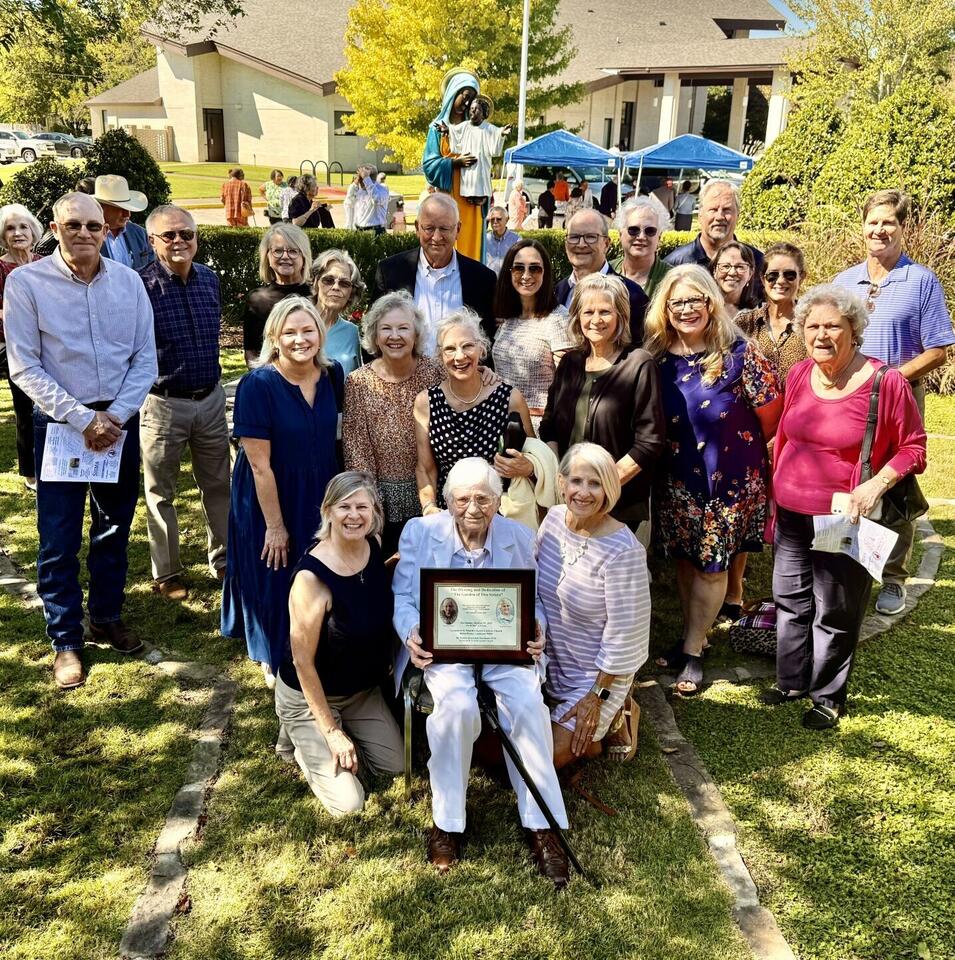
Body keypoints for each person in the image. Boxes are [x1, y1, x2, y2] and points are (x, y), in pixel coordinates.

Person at [392, 457, 570, 886]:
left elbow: (533, 601)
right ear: (447, 500)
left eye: (484, 499)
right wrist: (412, 632)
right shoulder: (420, 532)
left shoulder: (518, 536)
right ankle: (447, 823)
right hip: (444, 649)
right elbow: (403, 598)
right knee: (455, 709)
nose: (473, 508)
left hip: (502, 648)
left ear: (498, 501)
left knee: (527, 705)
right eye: (463, 499)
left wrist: (536, 629)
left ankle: (542, 824)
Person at [4, 192, 157, 689]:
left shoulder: (129, 282)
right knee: (59, 536)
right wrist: (81, 419)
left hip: (118, 420)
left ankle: (106, 615)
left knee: (114, 527)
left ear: (105, 230)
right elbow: (24, 365)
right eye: (74, 225)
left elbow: (145, 359)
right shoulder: (27, 283)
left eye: (94, 226)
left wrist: (114, 416)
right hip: (60, 424)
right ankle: (66, 638)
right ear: (55, 229)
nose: (85, 233)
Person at [766, 284, 926, 728]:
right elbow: (786, 436)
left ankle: (827, 696)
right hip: (791, 511)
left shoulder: (883, 382)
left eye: (833, 326)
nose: (822, 335)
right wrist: (773, 496)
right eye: (812, 326)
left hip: (842, 517)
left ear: (854, 330)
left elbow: (914, 448)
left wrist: (876, 485)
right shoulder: (800, 373)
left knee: (835, 607)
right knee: (789, 598)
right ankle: (791, 681)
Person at [644, 265, 781, 696]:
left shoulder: (740, 354)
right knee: (686, 560)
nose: (686, 309)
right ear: (665, 308)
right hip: (676, 478)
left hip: (728, 480)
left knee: (712, 563)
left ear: (711, 303)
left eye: (695, 300)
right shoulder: (656, 357)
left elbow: (771, 415)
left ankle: (692, 651)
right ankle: (694, 634)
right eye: (677, 302)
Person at [832, 189, 954, 615]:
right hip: (849, 398)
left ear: (903, 228)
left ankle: (895, 577)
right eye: (873, 222)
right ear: (862, 226)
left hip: (899, 399)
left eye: (889, 222)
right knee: (848, 475)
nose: (879, 230)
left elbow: (939, 349)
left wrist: (891, 378)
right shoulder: (845, 281)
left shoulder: (921, 281)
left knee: (895, 485)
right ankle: (845, 561)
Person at [221, 296, 343, 687]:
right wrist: (275, 525)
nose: (300, 340)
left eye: (308, 330)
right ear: (274, 337)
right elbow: (259, 465)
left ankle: (313, 640)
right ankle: (272, 651)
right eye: (290, 332)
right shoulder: (257, 385)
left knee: (314, 566)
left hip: (319, 485)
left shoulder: (332, 375)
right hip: (269, 488)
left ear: (320, 335)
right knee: (274, 564)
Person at [275, 472, 403, 814]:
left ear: (374, 512)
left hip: (361, 693)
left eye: (362, 507)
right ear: (327, 511)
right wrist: (331, 732)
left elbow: (369, 585)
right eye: (345, 507)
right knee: (349, 804)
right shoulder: (311, 579)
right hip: (310, 694)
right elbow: (302, 662)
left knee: (395, 767)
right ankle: (300, 732)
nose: (354, 515)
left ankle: (326, 731)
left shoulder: (373, 545)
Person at [344, 292, 496, 555]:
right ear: (374, 335)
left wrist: (483, 372)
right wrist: (369, 506)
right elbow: (357, 452)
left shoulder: (435, 370)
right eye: (386, 329)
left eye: (403, 328)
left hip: (433, 497)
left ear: (416, 334)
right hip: (380, 501)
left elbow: (465, 378)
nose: (395, 336)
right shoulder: (358, 382)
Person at [138, 204, 231, 600]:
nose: (179, 241)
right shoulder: (139, 286)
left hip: (210, 399)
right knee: (161, 492)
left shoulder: (209, 279)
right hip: (163, 403)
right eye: (169, 235)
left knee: (219, 485)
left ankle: (224, 559)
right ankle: (168, 572)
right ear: (152, 240)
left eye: (187, 234)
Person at [537, 443, 649, 767]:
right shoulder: (553, 520)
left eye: (595, 483)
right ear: (562, 483)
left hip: (596, 678)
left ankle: (618, 709)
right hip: (549, 663)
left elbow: (625, 636)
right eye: (576, 481)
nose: (583, 493)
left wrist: (596, 696)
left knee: (540, 762)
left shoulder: (624, 551)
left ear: (609, 488)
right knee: (499, 749)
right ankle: (598, 735)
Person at [540, 273, 664, 538]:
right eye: (588, 312)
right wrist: (565, 483)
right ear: (577, 317)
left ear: (621, 316)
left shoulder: (639, 364)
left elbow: (649, 442)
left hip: (620, 505)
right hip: (570, 500)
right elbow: (549, 427)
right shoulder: (570, 363)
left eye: (605, 311)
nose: (596, 320)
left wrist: (602, 488)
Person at [414, 308, 534, 510]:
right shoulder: (426, 402)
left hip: (499, 511)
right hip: (449, 512)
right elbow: (425, 468)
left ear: (481, 348)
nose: (460, 356)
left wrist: (528, 467)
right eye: (450, 349)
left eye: (467, 346)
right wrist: (429, 508)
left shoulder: (510, 398)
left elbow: (534, 456)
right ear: (440, 355)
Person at [372, 192, 496, 355]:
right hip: (404, 371)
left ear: (458, 229)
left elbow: (487, 339)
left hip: (460, 371)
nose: (436, 237)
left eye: (444, 228)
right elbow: (373, 332)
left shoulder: (483, 279)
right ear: (417, 228)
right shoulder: (390, 272)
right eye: (429, 228)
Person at [492, 239, 572, 430]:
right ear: (509, 272)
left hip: (539, 428)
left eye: (534, 268)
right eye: (519, 268)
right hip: (500, 422)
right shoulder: (507, 317)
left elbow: (568, 386)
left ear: (545, 273)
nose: (526, 275)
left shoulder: (558, 319)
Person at [555, 208, 649, 344]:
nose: (581, 244)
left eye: (590, 237)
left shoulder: (631, 295)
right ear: (566, 244)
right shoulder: (558, 291)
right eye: (574, 237)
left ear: (606, 244)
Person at [0, 203, 43, 489]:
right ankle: (30, 471)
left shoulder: (45, 263)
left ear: (33, 231)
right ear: (2, 236)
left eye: (23, 227)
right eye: (10, 228)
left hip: (50, 346)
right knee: (25, 409)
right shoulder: (0, 268)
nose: (18, 233)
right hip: (16, 348)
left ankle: (56, 461)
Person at [664, 180, 763, 303]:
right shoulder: (675, 265)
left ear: (738, 215)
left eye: (727, 210)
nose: (719, 217)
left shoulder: (758, 262)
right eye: (713, 209)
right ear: (700, 215)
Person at [422, 68, 485, 260]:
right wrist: (454, 163)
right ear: (453, 93)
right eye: (464, 97)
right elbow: (429, 165)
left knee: (471, 251)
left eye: (471, 100)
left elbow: (483, 164)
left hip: (471, 202)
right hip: (448, 199)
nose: (466, 103)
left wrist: (484, 193)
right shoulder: (437, 128)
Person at [736, 241, 808, 389]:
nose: (780, 281)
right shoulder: (745, 323)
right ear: (763, 279)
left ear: (801, 277)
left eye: (789, 275)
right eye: (772, 275)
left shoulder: (812, 325)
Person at [242, 223, 313, 366]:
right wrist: (262, 377)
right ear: (267, 256)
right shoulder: (257, 300)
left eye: (293, 251)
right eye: (278, 251)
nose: (285, 256)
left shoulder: (316, 295)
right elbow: (251, 351)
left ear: (304, 256)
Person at [444, 96, 509, 205]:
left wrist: (502, 133)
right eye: (471, 108)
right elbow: (454, 130)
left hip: (482, 161)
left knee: (480, 177)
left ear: (483, 113)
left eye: (477, 109)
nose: (473, 111)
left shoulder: (488, 127)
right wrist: (447, 130)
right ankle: (469, 194)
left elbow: (497, 133)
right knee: (469, 177)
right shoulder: (465, 125)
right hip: (468, 160)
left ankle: (480, 196)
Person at [310, 249, 364, 376]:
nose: (335, 287)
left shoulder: (352, 333)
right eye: (328, 280)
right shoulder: (293, 322)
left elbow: (355, 380)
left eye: (344, 283)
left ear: (351, 292)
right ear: (316, 283)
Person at [611, 195, 673, 299]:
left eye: (650, 231)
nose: (641, 237)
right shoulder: (605, 272)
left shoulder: (672, 279)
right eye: (633, 230)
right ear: (620, 234)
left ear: (659, 237)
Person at [92, 175, 154, 270]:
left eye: (128, 208)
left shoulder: (140, 234)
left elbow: (152, 269)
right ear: (101, 207)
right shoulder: (88, 236)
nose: (127, 214)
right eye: (120, 209)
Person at [709, 240, 758, 318]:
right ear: (714, 271)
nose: (732, 273)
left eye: (740, 267)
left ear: (750, 273)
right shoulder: (704, 310)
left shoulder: (758, 314)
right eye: (725, 266)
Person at [343, 164, 389, 235]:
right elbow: (348, 203)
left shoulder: (382, 190)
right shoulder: (360, 191)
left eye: (361, 178)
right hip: (359, 230)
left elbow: (377, 199)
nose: (360, 180)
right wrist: (355, 184)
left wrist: (366, 179)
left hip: (376, 231)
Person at [484, 206, 520, 275]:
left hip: (507, 279)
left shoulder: (516, 240)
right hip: (488, 279)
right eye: (492, 219)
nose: (495, 222)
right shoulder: (485, 239)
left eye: (498, 219)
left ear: (506, 220)